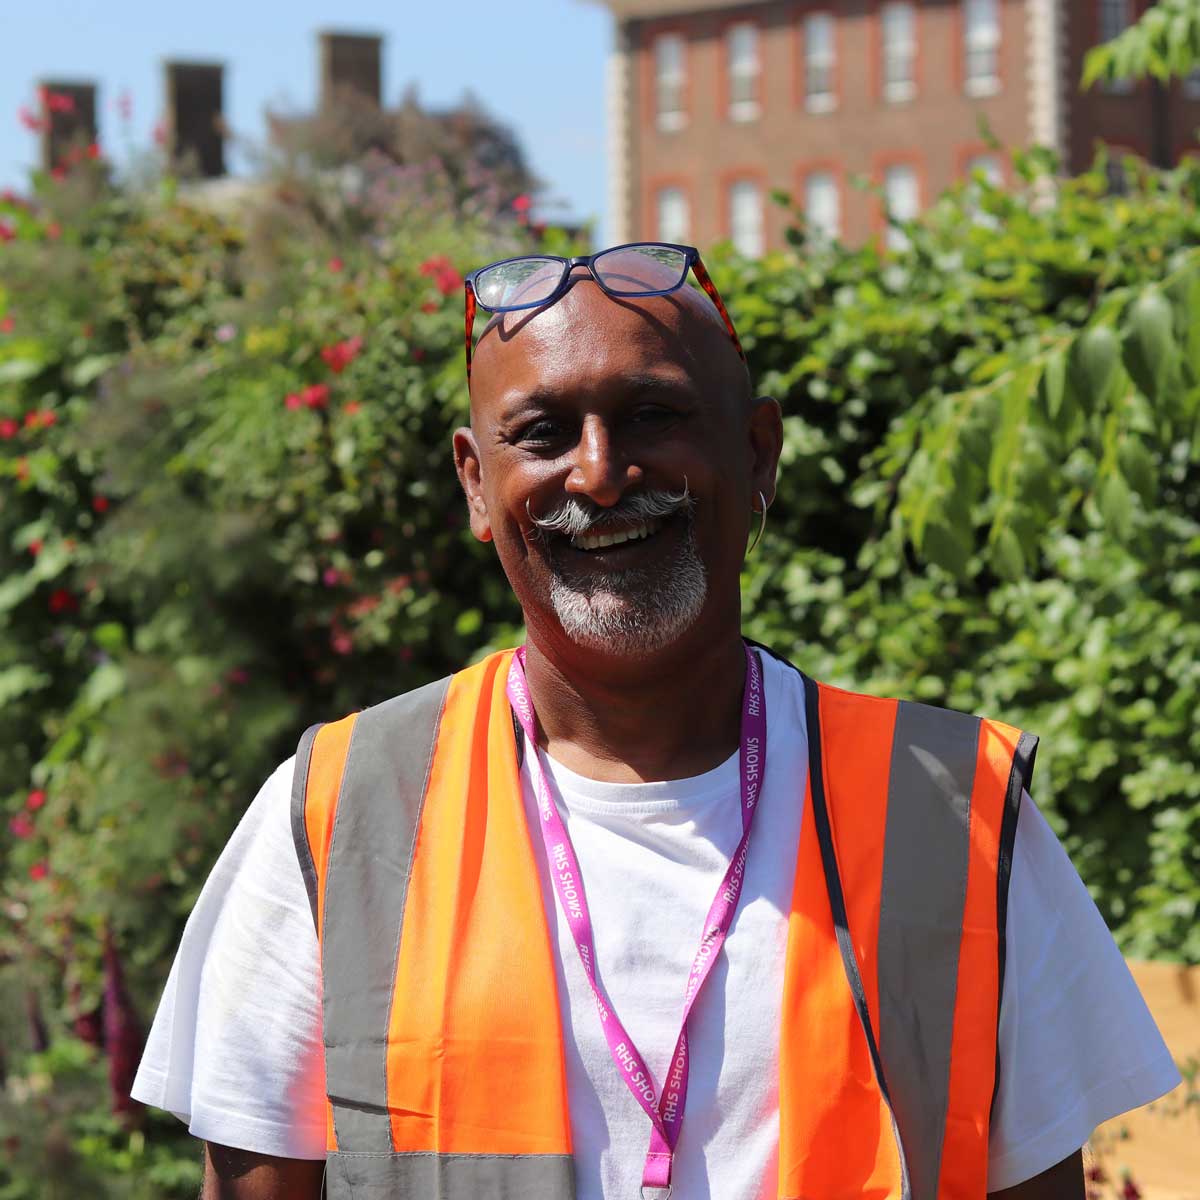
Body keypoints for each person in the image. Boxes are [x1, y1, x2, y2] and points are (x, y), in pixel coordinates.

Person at [132, 244, 1180, 1200]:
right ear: (475, 485)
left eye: (654, 416)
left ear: (759, 455)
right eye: (542, 432)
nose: (599, 472)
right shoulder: (337, 815)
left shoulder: (956, 812)